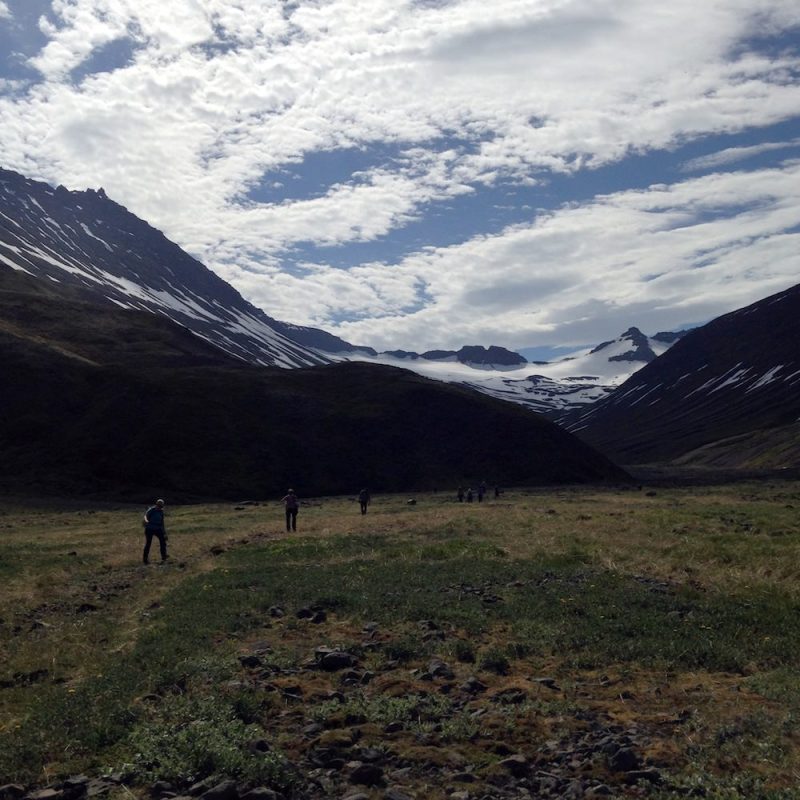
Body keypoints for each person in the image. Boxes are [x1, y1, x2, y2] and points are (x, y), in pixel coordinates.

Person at [142, 498, 168, 564]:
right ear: (156, 504)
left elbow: (162, 523)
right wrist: (146, 521)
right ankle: (145, 559)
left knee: (163, 541)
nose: (160, 507)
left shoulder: (161, 512)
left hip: (158, 529)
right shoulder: (152, 510)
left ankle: (164, 557)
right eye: (159, 506)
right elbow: (145, 516)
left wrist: (164, 533)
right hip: (149, 529)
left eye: (161, 506)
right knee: (148, 543)